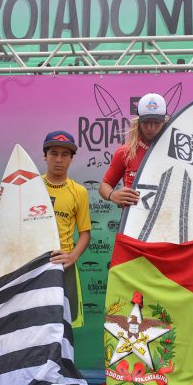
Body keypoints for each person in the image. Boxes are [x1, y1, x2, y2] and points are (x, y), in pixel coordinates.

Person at [42, 130, 91, 327]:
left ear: (71, 159)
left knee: (64, 322)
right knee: (35, 320)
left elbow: (85, 233)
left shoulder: (79, 191)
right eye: (54, 153)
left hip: (64, 264)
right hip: (33, 264)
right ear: (45, 156)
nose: (59, 159)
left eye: (65, 155)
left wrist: (73, 256)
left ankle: (62, 359)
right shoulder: (31, 186)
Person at [98, 93, 167, 206]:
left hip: (167, 220)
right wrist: (112, 195)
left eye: (156, 122)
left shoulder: (175, 151)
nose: (151, 128)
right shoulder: (125, 152)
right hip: (132, 221)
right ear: (138, 122)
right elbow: (104, 186)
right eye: (146, 122)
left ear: (164, 121)